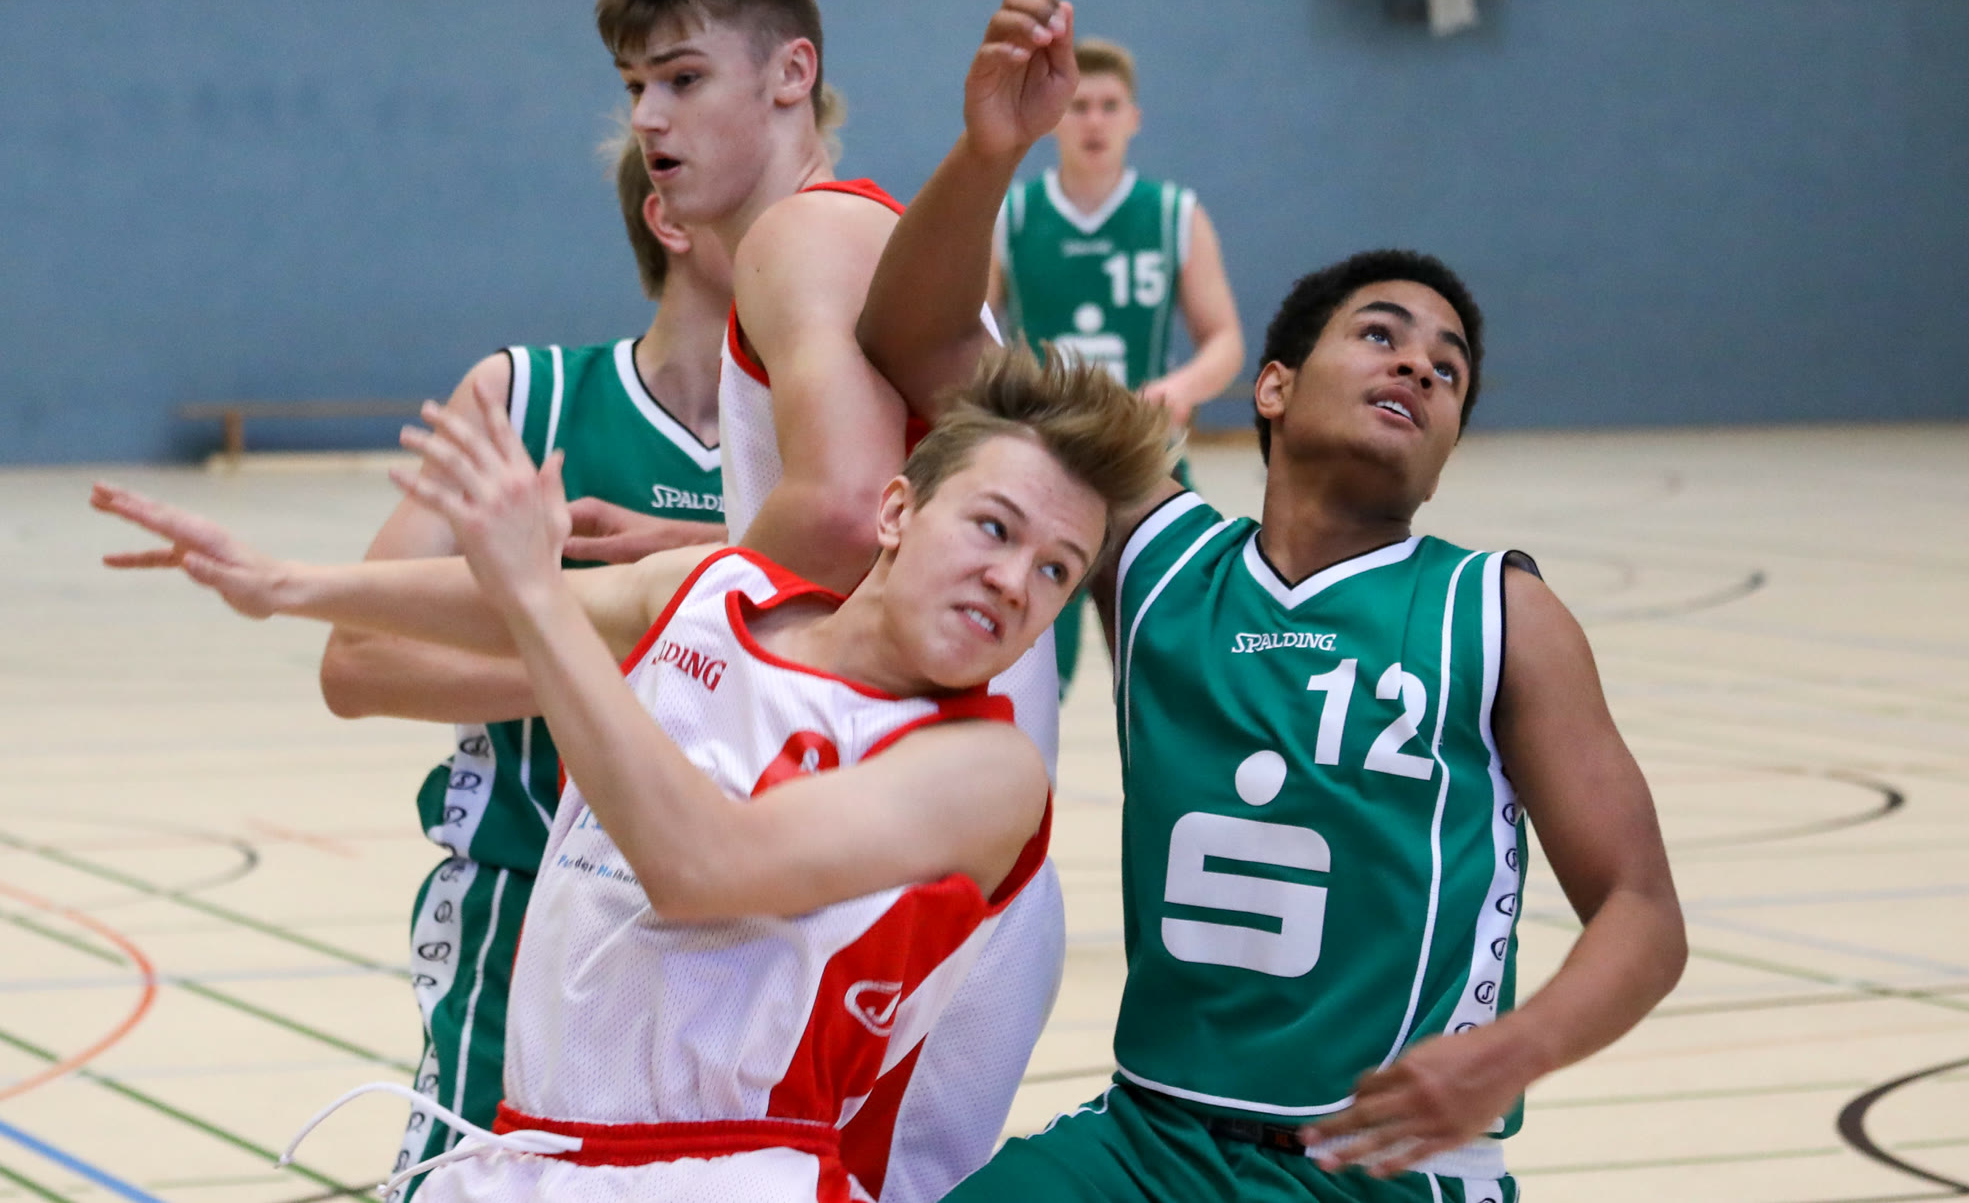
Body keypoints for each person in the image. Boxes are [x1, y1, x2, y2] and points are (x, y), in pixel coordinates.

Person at [91, 342, 1174, 1203]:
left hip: (734, 1172)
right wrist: (286, 584)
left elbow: (699, 866)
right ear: (897, 512)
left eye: (1055, 570)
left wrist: (533, 592)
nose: (1013, 581)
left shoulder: (982, 771)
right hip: (530, 1147)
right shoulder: (709, 592)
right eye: (993, 527)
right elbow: (506, 606)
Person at [859, 114, 1690, 1201]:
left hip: (1381, 1173)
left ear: (1447, 445)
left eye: (1448, 371)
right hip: (1147, 1142)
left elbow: (1642, 911)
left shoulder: (1497, 613)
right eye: (1381, 335)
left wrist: (1508, 1053)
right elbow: (916, 340)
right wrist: (992, 149)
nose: (1419, 365)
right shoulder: (1157, 556)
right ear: (1274, 388)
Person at [584, 0, 1080, 1202]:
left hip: (909, 860)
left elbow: (854, 512)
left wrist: (649, 619)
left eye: (683, 78)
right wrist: (702, 550)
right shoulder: (845, 237)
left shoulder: (802, 233)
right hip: (927, 840)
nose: (648, 119)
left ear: (791, 74)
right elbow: (872, 512)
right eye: (635, 87)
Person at [316, 135, 730, 1182]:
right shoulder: (524, 397)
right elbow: (356, 661)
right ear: (672, 219)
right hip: (528, 905)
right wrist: (603, 658)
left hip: (734, 932)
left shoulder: (825, 452)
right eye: (786, 201)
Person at [985, 38, 1244, 695]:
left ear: (1134, 118)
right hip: (1045, 460)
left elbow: (1224, 340)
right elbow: (972, 332)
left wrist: (1182, 386)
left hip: (1143, 459)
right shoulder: (1013, 214)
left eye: (1109, 106)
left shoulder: (1175, 214)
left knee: (1172, 665)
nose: (1094, 121)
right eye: (1079, 107)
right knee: (1029, 668)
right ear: (1055, 119)